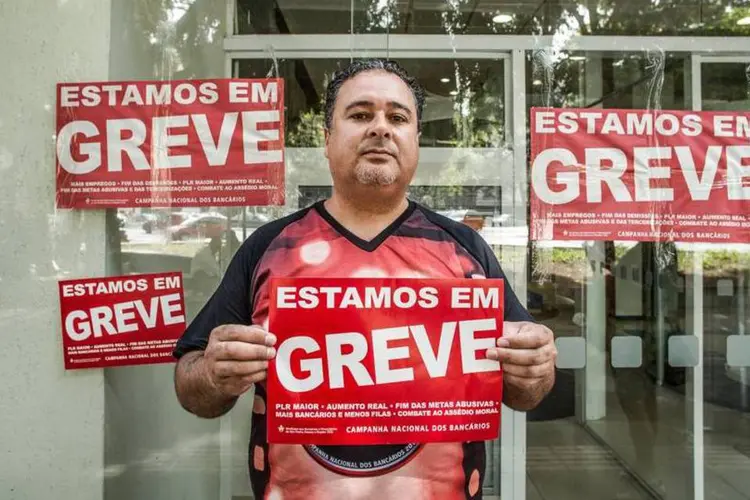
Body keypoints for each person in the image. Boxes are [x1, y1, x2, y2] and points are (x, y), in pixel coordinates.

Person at [173, 59, 557, 500]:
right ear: (327, 139)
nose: (381, 128)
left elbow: (525, 392)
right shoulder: (269, 247)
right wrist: (215, 373)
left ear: (415, 139)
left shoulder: (464, 249)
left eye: (398, 117)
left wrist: (535, 371)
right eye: (360, 115)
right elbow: (191, 386)